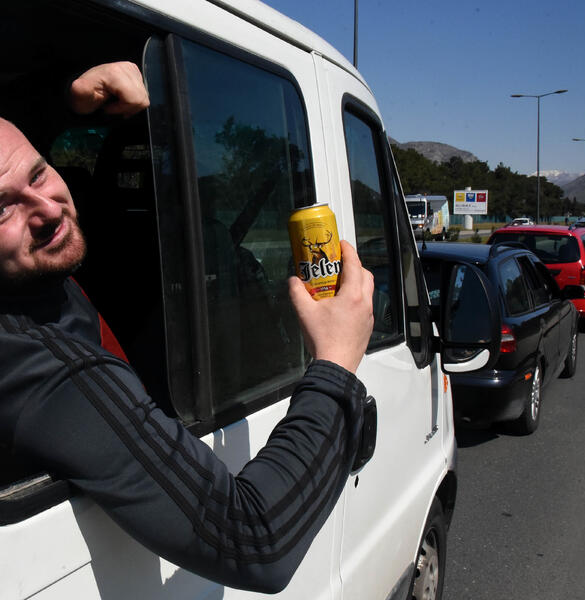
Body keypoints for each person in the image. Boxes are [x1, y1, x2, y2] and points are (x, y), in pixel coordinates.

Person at [0, 63, 374, 593]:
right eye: (3, 210)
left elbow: (11, 154)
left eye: (40, 174)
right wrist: (335, 363)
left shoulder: (36, 275)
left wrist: (68, 96)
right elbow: (253, 541)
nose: (47, 210)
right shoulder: (41, 365)